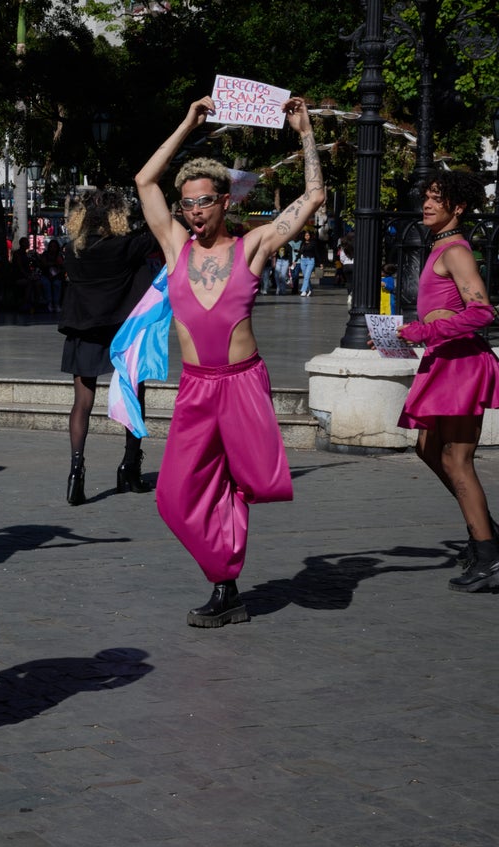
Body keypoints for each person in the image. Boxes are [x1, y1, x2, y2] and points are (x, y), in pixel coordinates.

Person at [135, 95, 324, 628]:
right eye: (187, 204)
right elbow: (144, 181)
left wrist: (305, 132)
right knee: (173, 496)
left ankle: (226, 589)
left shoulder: (254, 246)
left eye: (203, 202)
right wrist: (188, 123)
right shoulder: (175, 247)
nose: (194, 212)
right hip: (197, 388)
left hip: (243, 383)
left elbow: (313, 196)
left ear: (225, 201)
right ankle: (226, 577)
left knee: (252, 483)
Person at [394, 170, 499, 593]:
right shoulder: (441, 247)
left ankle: (488, 553)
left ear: (458, 208)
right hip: (444, 361)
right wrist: (401, 332)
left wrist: (425, 331)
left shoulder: (455, 250)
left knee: (457, 460)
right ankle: (486, 530)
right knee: (427, 448)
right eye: (426, 198)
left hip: (461, 364)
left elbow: (482, 312)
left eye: (437, 199)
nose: (427, 204)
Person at [59, 188, 160, 505]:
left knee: (82, 403)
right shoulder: (126, 246)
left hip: (83, 329)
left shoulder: (71, 251)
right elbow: (161, 229)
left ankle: (77, 468)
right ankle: (129, 467)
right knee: (134, 396)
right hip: (122, 331)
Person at [296, 230, 319, 297]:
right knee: (306, 277)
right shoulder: (302, 243)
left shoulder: (313, 243)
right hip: (303, 260)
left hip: (310, 260)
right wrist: (295, 260)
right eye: (306, 235)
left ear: (310, 236)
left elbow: (317, 253)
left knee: (306, 276)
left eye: (308, 235)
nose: (307, 237)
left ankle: (303, 290)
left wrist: (320, 263)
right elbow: (300, 252)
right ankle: (311, 289)